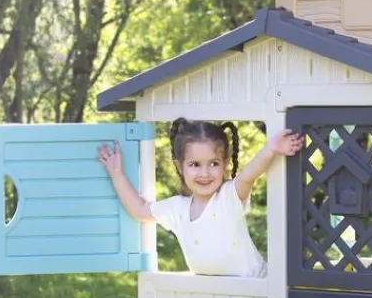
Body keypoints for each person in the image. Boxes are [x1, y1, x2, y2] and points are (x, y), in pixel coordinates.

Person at [97, 118, 302, 276]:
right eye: (195, 164)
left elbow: (248, 175)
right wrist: (117, 175)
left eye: (213, 163)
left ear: (224, 164)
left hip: (256, 288)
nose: (205, 173)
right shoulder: (177, 208)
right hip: (213, 294)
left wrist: (270, 149)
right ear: (180, 166)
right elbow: (140, 210)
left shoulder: (228, 198)